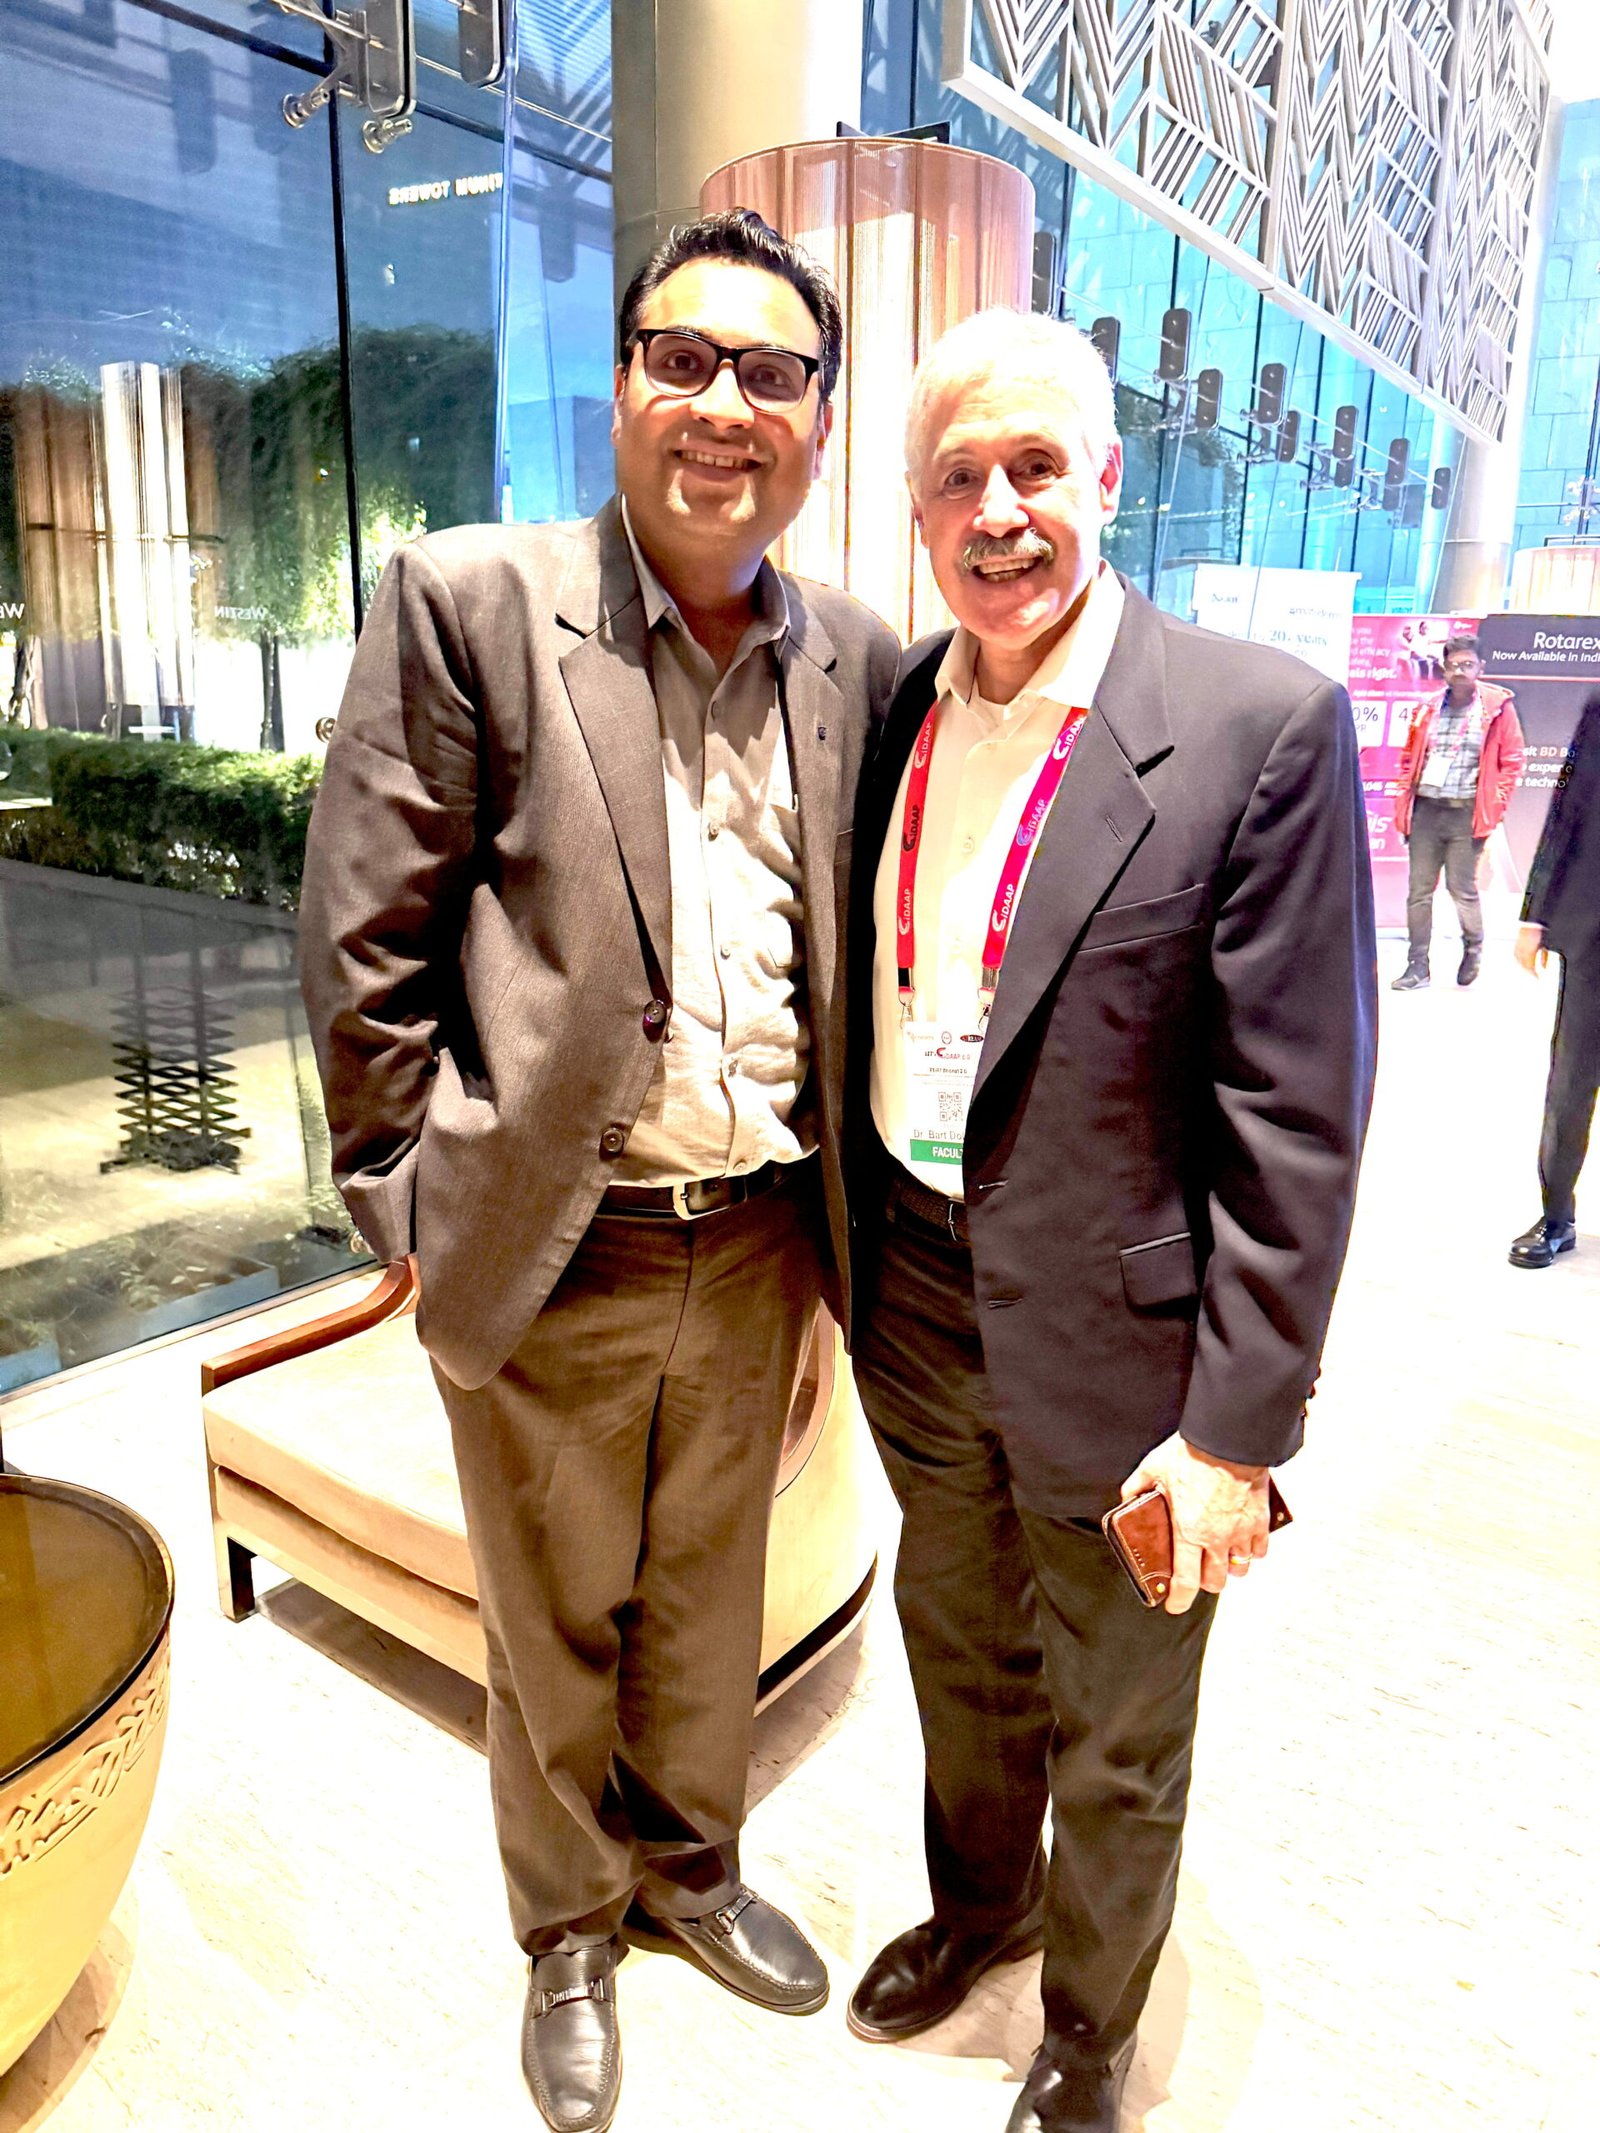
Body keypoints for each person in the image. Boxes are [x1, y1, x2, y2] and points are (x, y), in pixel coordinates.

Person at [299, 209, 899, 2133]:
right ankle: (568, 1924)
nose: (724, 404)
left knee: (711, 1585)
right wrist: (410, 1205)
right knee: (553, 1609)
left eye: (771, 372)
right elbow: (365, 942)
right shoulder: (474, 599)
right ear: (622, 382)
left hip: (765, 1230)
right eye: (683, 358)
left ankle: (691, 1865)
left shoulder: (859, 654)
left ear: (819, 418)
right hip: (558, 1232)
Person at [842, 311, 1376, 2133]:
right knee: (960, 1647)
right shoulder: (896, 710)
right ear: (917, 507)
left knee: (1122, 1713)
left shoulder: (1254, 725)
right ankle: (980, 1904)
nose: (999, 512)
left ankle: (1090, 2023)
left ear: (1109, 480)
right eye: (959, 477)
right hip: (916, 1291)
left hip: (1129, 1345)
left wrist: (1238, 1430)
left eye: (1035, 468)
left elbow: (1297, 1113)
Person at [1509, 690, 1600, 1269]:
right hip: (1596, 931)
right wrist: (1534, 914)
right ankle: (1556, 1216)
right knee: (1572, 1080)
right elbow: (1568, 807)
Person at [1391, 633, 1524, 990]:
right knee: (1419, 891)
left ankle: (1473, 949)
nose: (1460, 671)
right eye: (1453, 665)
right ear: (1444, 669)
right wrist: (1403, 802)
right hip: (1426, 810)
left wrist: (1495, 805)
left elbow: (1512, 761)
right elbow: (1409, 759)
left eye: (1468, 664)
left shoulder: (1497, 708)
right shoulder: (1429, 708)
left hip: (1466, 814)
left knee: (1461, 889)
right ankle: (1417, 966)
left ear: (1481, 667)